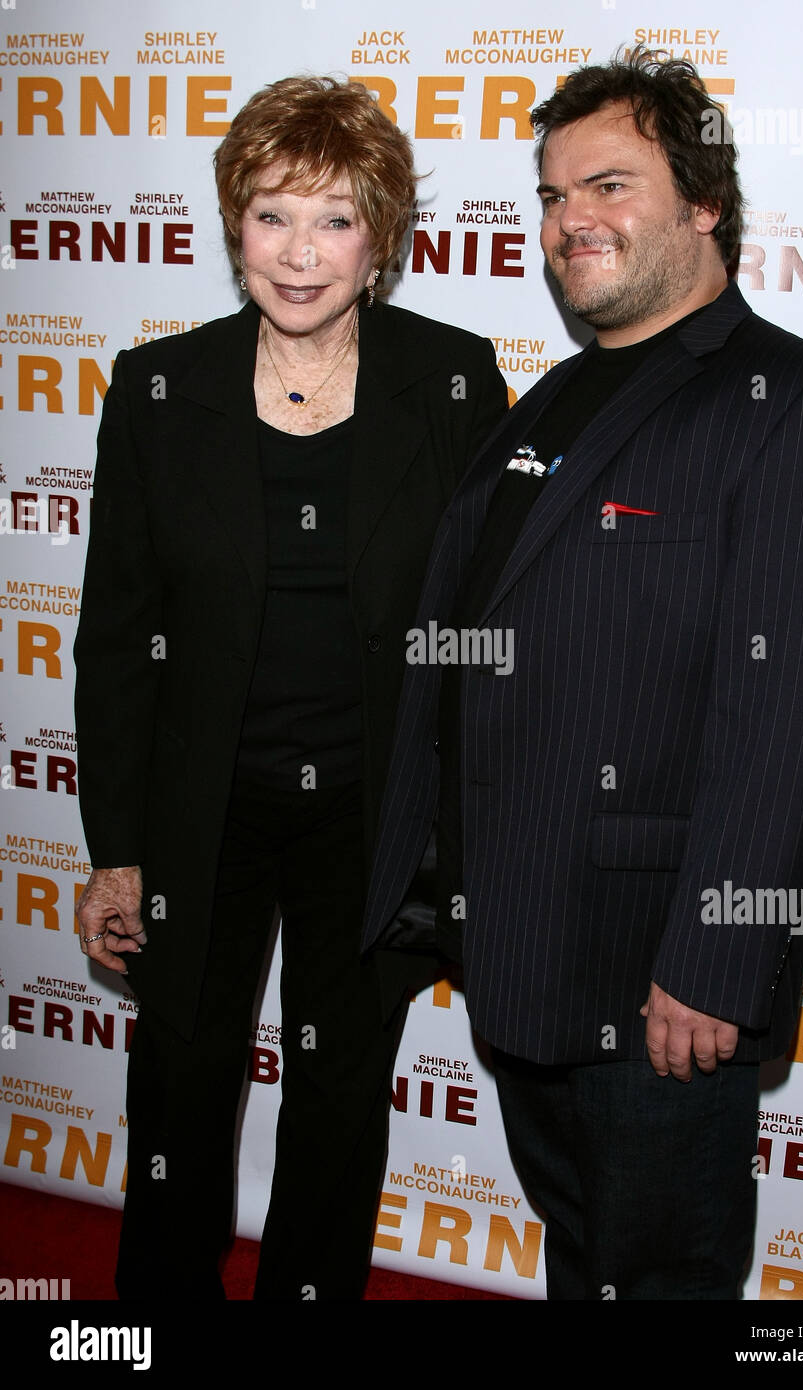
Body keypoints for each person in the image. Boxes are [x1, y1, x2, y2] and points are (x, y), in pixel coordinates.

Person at [362, 49, 803, 1299]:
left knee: (660, 1272)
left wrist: (714, 956)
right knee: (585, 1253)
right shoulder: (548, 397)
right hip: (525, 946)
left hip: (661, 972)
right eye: (551, 197)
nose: (570, 221)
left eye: (608, 185)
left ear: (702, 202)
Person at [73, 74, 507, 1301]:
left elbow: (485, 618)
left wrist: (464, 834)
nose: (299, 253)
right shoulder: (160, 391)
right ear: (231, 228)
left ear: (382, 237)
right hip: (201, 808)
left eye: (333, 218)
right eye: (271, 215)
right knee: (177, 1079)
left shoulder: (453, 379)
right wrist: (118, 847)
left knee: (338, 1087)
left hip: (373, 812)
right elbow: (115, 642)